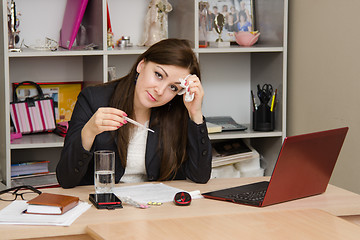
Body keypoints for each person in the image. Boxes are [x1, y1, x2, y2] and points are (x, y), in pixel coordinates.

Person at [56, 39, 212, 188]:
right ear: (141, 65)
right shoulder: (93, 99)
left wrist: (195, 114)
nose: (160, 91)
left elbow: (200, 176)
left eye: (173, 87)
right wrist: (89, 131)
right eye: (158, 75)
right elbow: (66, 179)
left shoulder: (177, 108)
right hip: (103, 207)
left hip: (156, 208)